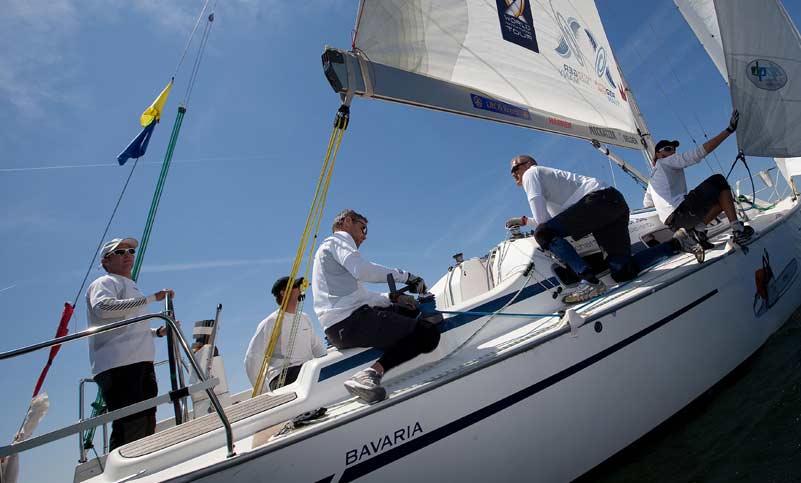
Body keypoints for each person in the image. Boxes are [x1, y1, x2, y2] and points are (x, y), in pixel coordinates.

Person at [505, 155, 690, 304]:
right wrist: (525, 221)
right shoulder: (551, 186)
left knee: (543, 234)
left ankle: (589, 280)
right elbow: (555, 220)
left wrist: (533, 225)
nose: (513, 173)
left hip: (597, 202)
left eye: (515, 168)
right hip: (612, 204)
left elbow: (543, 224)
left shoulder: (531, 173)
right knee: (622, 271)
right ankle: (677, 243)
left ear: (528, 164)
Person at [312, 209, 440, 403]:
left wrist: (392, 298)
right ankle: (371, 373)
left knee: (408, 310)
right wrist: (406, 276)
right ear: (347, 222)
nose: (364, 236)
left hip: (341, 328)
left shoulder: (329, 254)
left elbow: (362, 297)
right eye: (362, 228)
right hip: (352, 322)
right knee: (429, 334)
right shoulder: (338, 240)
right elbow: (363, 270)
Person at [86, 237, 174, 450]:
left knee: (147, 418)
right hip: (119, 366)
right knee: (131, 422)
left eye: (130, 251)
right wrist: (152, 299)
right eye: (120, 252)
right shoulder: (104, 283)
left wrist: (157, 332)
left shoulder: (131, 287)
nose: (127, 254)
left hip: (140, 363)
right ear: (106, 261)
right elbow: (103, 309)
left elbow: (131, 325)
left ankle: (143, 464)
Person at [644, 110, 754, 248]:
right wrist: (729, 130)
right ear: (658, 155)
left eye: (674, 150)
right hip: (682, 214)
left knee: (722, 199)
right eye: (668, 149)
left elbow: (647, 203)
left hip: (673, 224)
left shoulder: (652, 178)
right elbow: (697, 154)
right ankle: (739, 230)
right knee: (719, 180)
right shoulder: (665, 162)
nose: (672, 152)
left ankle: (698, 230)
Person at [244, 276, 327, 394]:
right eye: (296, 287)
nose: (301, 290)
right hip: (284, 377)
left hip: (307, 372)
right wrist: (264, 393)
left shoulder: (305, 318)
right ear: (283, 293)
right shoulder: (271, 322)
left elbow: (318, 349)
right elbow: (252, 359)